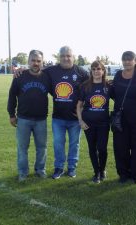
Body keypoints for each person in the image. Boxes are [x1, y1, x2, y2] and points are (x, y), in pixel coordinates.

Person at [44, 46, 89, 179]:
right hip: (58, 117)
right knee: (58, 143)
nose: (65, 58)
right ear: (59, 57)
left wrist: (84, 110)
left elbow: (92, 87)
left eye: (68, 55)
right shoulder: (51, 70)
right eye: (63, 55)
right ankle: (59, 168)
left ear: (73, 57)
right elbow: (35, 71)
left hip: (75, 118)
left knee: (74, 144)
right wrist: (22, 70)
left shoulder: (81, 72)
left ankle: (71, 168)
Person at [7, 50, 50, 182]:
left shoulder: (47, 77)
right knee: (22, 148)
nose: (36, 63)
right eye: (33, 60)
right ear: (28, 61)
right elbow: (12, 95)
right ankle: (23, 172)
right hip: (23, 119)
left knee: (42, 148)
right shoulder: (20, 76)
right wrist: (11, 114)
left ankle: (40, 170)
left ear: (42, 62)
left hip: (41, 119)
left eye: (38, 61)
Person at [111, 51, 136, 184]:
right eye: (124, 59)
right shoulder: (117, 75)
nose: (127, 62)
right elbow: (113, 93)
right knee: (120, 147)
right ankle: (123, 173)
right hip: (120, 118)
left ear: (135, 61)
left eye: (129, 59)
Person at [77, 61, 111, 183]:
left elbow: (121, 98)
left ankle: (102, 170)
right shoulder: (85, 86)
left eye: (99, 69)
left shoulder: (108, 86)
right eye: (94, 69)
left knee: (102, 148)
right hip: (88, 123)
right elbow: (79, 105)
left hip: (103, 123)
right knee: (92, 148)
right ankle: (96, 172)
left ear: (103, 71)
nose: (96, 71)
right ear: (91, 71)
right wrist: (80, 121)